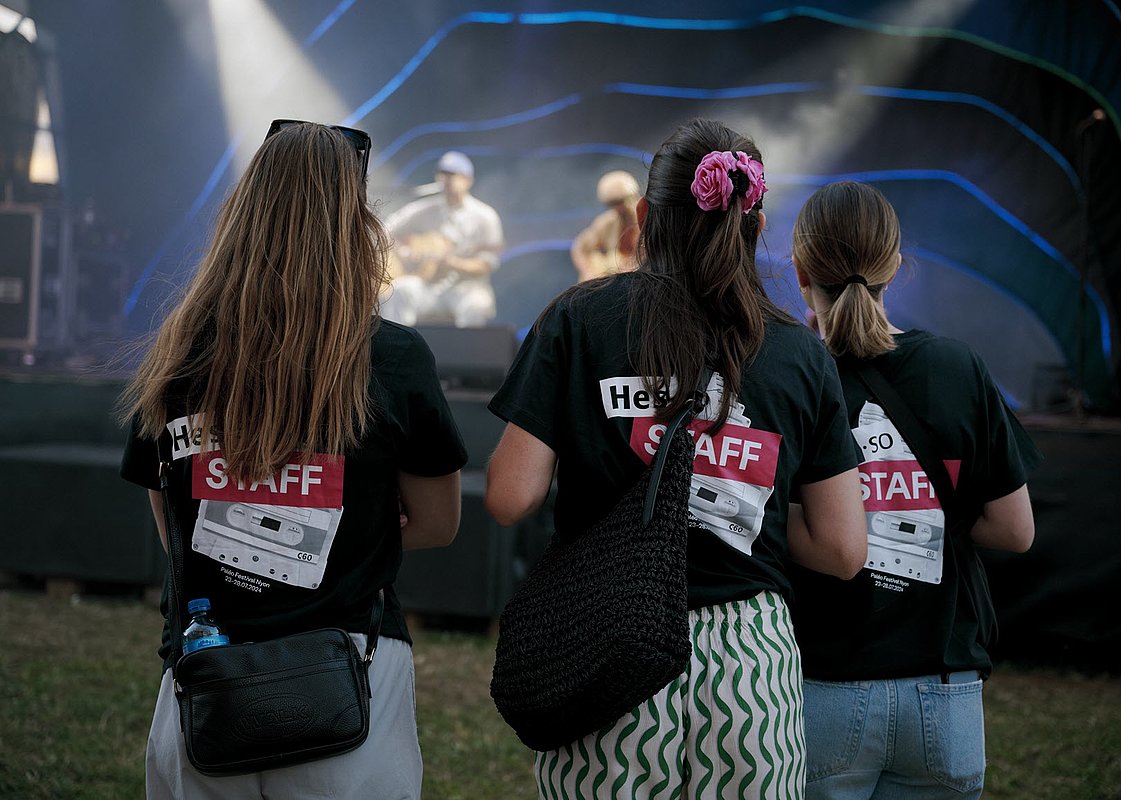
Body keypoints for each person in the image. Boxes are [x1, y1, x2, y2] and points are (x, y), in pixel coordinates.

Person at [484, 118, 868, 798]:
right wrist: (753, 520)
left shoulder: (578, 319)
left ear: (641, 218)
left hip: (605, 639)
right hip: (750, 659)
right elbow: (842, 549)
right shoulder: (801, 355)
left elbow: (510, 495)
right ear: (754, 222)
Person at [118, 120, 467, 799]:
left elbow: (176, 531)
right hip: (349, 683)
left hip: (204, 688)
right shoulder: (391, 357)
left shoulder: (179, 351)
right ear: (354, 222)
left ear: (241, 213)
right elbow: (438, 522)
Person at [788, 181, 1041, 800]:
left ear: (799, 270)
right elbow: (1015, 529)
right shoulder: (959, 367)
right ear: (896, 265)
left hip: (823, 689)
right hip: (945, 696)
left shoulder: (789, 372)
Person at [380, 150, 504, 327]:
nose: (446, 180)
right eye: (442, 174)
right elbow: (386, 229)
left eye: (453, 175)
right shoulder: (425, 209)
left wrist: (451, 263)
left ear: (468, 180)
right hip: (431, 287)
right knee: (400, 290)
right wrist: (403, 252)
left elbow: (486, 265)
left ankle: (465, 354)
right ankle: (394, 350)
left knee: (476, 305)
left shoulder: (485, 216)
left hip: (468, 288)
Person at [569, 169, 641, 281]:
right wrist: (589, 272)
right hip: (617, 279)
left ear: (633, 196)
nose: (618, 208)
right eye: (612, 204)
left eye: (621, 201)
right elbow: (580, 247)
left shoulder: (648, 219)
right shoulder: (608, 222)